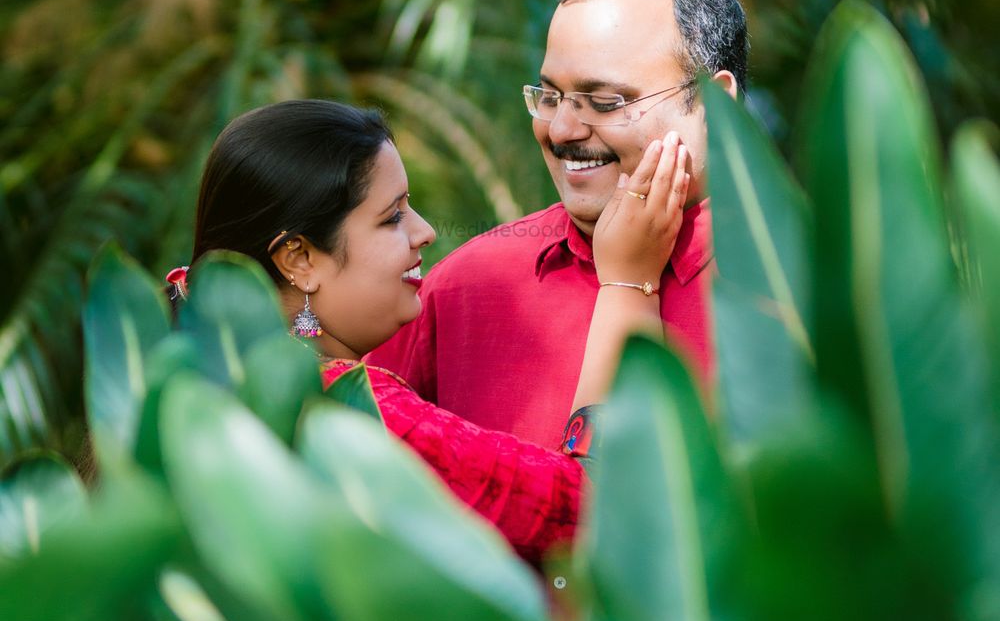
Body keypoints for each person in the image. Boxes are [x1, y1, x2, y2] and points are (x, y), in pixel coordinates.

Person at [169, 98, 690, 565]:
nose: (425, 232)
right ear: (300, 259)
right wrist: (627, 282)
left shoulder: (191, 377)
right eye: (392, 218)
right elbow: (593, 514)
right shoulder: (350, 413)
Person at [370, 0, 748, 448]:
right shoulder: (464, 288)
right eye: (550, 97)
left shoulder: (795, 288)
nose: (563, 129)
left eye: (605, 102)